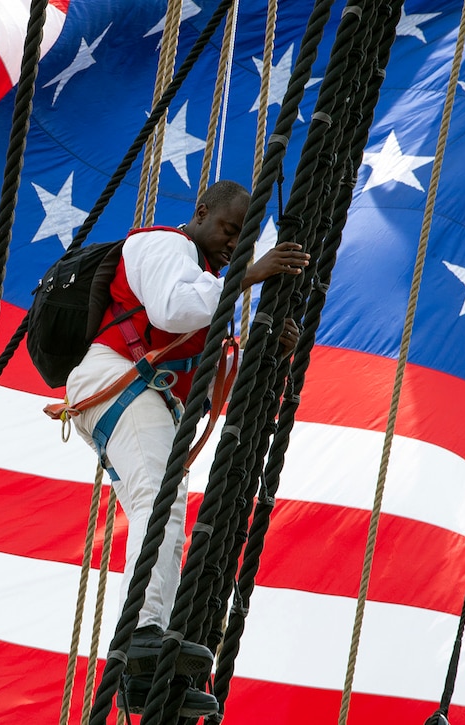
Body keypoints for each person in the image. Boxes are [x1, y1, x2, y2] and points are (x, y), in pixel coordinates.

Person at [64, 180, 308, 716]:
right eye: (228, 229)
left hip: (140, 396)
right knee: (160, 502)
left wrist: (270, 351)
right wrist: (251, 274)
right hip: (116, 381)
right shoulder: (163, 247)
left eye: (245, 238)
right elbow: (172, 310)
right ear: (201, 213)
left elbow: (222, 380)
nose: (234, 244)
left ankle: (144, 674)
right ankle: (144, 634)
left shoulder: (208, 288)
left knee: (167, 514)